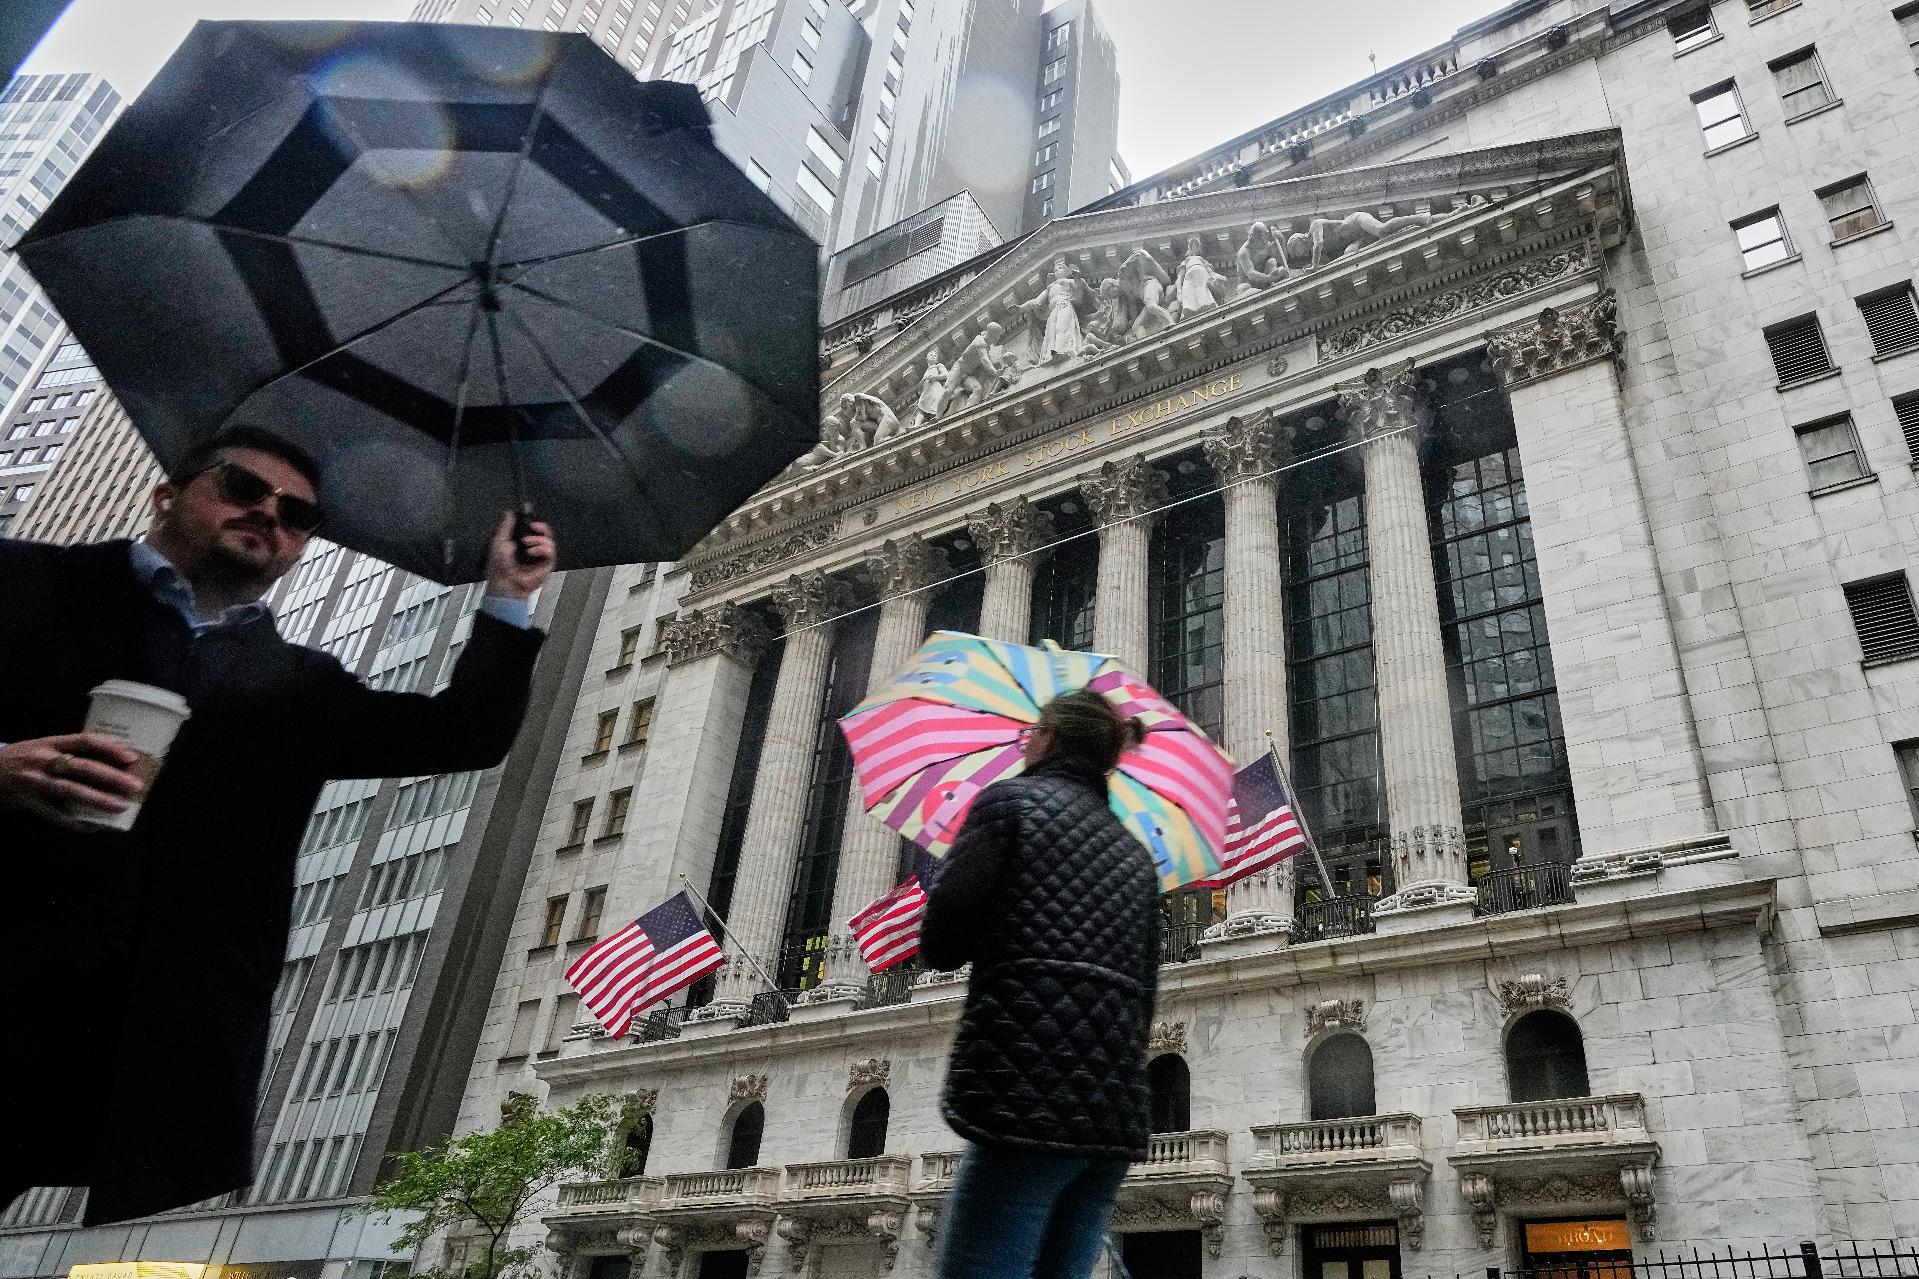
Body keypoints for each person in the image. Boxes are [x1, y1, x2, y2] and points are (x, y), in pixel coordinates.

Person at [0, 426, 555, 1225]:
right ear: (168, 493)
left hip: (137, 1038)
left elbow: (463, 731)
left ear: (299, 550)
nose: (270, 514)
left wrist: (509, 592)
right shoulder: (28, 583)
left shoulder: (299, 686)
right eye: (241, 487)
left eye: (297, 514)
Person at [921, 690, 1161, 1279]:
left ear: (1049, 739)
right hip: (1111, 1116)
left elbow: (942, 945)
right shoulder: (1136, 857)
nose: (1025, 741)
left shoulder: (1008, 805)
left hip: (1024, 1093)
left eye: (1032, 732)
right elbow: (1144, 996)